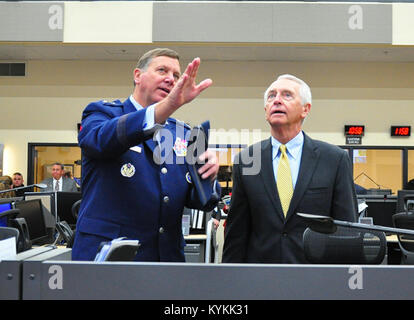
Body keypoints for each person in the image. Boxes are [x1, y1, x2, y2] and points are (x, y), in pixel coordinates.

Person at [71, 48, 220, 262]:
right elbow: (100, 141)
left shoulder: (183, 134)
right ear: (137, 75)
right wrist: (166, 107)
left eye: (176, 75)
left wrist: (209, 175)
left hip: (164, 259)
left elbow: (199, 200)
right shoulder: (102, 113)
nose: (171, 79)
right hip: (110, 258)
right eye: (162, 70)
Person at [222, 74, 358, 264]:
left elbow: (347, 230)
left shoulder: (334, 159)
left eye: (287, 95)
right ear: (265, 110)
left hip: (316, 277)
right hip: (260, 277)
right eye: (271, 96)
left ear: (305, 109)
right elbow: (237, 230)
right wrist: (230, 280)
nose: (276, 100)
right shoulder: (247, 160)